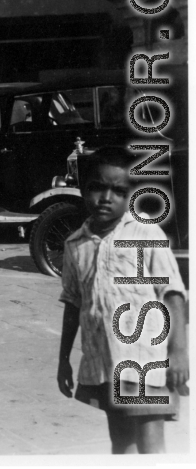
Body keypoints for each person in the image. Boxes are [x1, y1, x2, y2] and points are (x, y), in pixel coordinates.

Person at [57, 146, 188, 454]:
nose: (106, 197)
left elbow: (172, 294)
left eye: (118, 191)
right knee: (121, 442)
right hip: (104, 360)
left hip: (147, 359)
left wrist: (180, 351)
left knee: (151, 444)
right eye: (97, 187)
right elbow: (73, 303)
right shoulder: (75, 244)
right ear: (83, 188)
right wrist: (63, 360)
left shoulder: (145, 232)